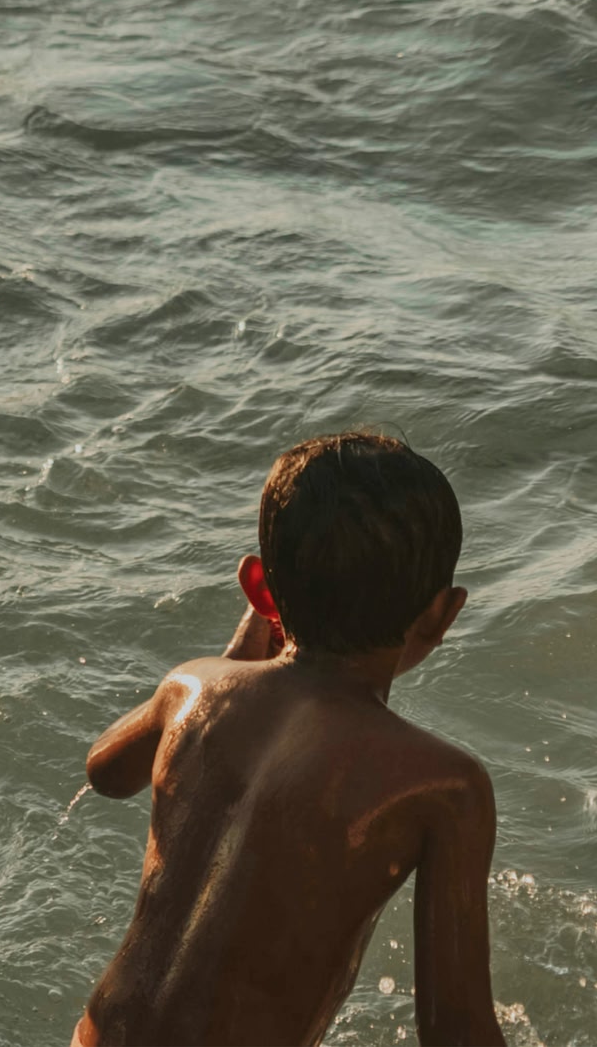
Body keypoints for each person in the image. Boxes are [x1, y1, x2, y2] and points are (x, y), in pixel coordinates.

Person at [76, 432, 505, 1047]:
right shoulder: (445, 787)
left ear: (259, 591)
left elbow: (105, 771)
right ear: (443, 614)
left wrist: (233, 663)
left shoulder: (190, 689)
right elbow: (455, 1029)